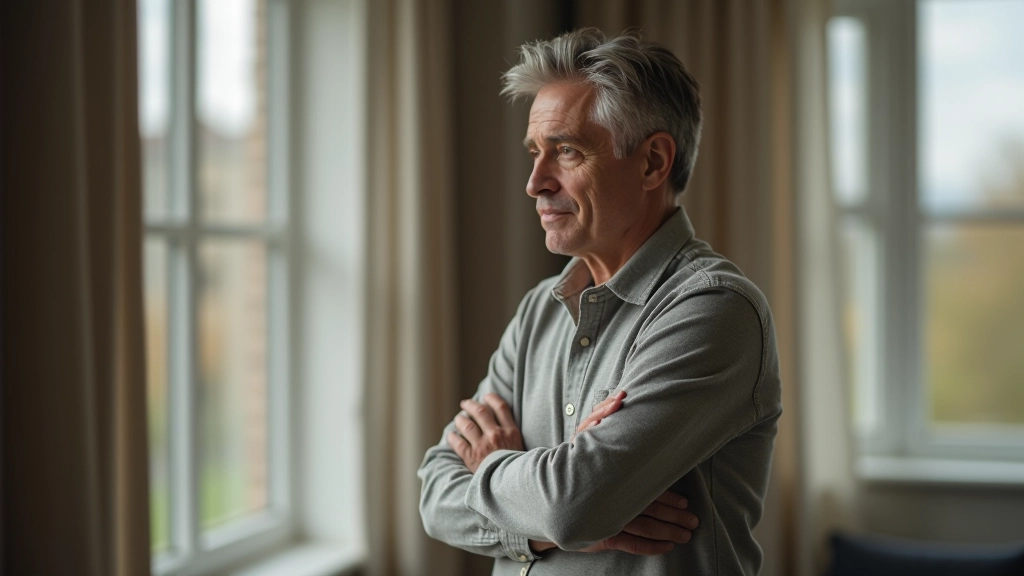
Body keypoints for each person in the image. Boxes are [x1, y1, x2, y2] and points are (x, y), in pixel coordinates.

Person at [418, 28, 782, 575]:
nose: (535, 183)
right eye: (535, 154)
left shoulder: (715, 311)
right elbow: (434, 493)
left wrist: (496, 466)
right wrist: (552, 526)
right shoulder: (539, 309)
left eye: (566, 151)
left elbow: (571, 503)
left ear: (653, 163)